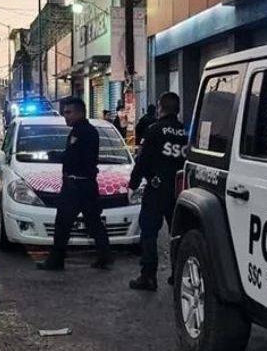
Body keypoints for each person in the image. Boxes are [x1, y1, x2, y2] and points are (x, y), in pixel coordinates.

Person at [38, 96, 113, 271]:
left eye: (69, 112)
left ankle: (57, 260)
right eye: (64, 112)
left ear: (80, 112)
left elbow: (74, 157)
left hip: (77, 185)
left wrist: (56, 156)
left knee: (64, 223)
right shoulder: (80, 130)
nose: (65, 116)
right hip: (83, 184)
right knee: (92, 222)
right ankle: (104, 255)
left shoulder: (84, 132)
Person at [128, 92, 188, 291]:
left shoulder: (154, 130)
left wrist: (133, 183)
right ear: (177, 110)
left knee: (149, 233)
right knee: (178, 234)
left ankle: (148, 276)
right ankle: (178, 274)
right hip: (180, 191)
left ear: (160, 108)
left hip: (157, 188)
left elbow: (143, 161)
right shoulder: (186, 132)